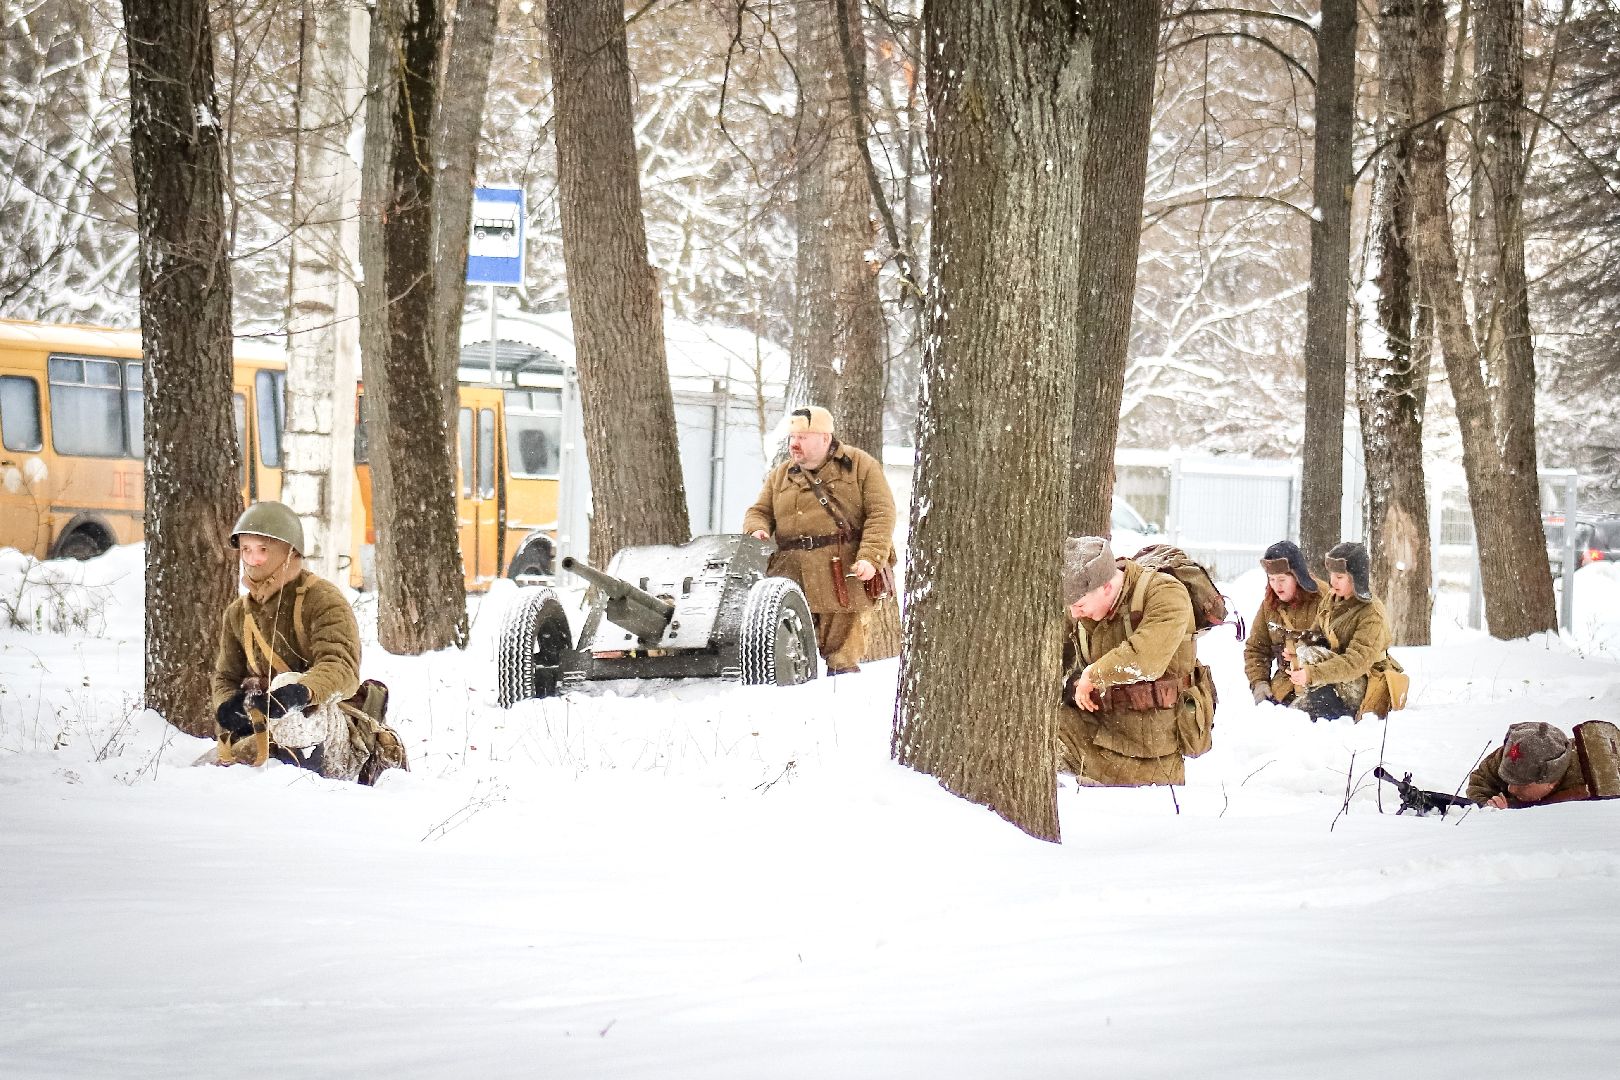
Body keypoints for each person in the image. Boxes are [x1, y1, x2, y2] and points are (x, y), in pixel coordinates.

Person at [211, 500, 406, 784]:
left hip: (334, 740)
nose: (252, 560)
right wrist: (230, 707)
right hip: (267, 735)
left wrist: (299, 694)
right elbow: (226, 676)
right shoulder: (238, 614)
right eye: (246, 550)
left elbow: (341, 667)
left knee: (287, 686)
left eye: (263, 550)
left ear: (288, 552)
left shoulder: (322, 599)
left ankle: (303, 795)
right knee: (195, 783)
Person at [742, 406, 897, 674]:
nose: (794, 444)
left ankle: (841, 709)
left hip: (842, 577)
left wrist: (870, 558)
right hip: (791, 577)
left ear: (825, 438)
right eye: (792, 438)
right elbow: (759, 511)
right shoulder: (782, 474)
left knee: (843, 662)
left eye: (802, 437)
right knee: (791, 662)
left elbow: (881, 514)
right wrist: (757, 529)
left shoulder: (860, 466)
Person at [1057, 536, 1208, 787]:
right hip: (1097, 732)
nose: (1074, 613)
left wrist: (1093, 675)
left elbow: (1146, 660)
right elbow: (1054, 656)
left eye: (1080, 605)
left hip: (1150, 758)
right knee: (1032, 735)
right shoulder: (1084, 608)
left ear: (1106, 586)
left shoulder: (1166, 594)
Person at [1287, 540, 1405, 720]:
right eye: (1331, 574)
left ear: (1356, 577)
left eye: (1340, 577)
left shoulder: (1371, 613)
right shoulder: (1331, 599)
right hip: (1338, 675)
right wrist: (1295, 650)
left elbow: (1355, 663)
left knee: (1309, 657)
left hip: (1366, 681)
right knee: (1304, 654)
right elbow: (1316, 635)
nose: (1332, 581)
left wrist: (1311, 674)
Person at [1243, 540, 1325, 706]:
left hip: (1323, 685)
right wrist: (1259, 683)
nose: (1276, 586)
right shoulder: (1270, 605)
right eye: (1271, 579)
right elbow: (1257, 649)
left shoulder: (1323, 599)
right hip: (1284, 689)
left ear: (1297, 577)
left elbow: (1342, 648)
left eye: (1281, 579)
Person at [1466, 722, 1594, 808]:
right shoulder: (1513, 755)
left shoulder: (1583, 789)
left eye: (1522, 783)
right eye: (1508, 778)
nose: (1511, 789)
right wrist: (1488, 809)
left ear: (1552, 782)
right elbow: (1480, 783)